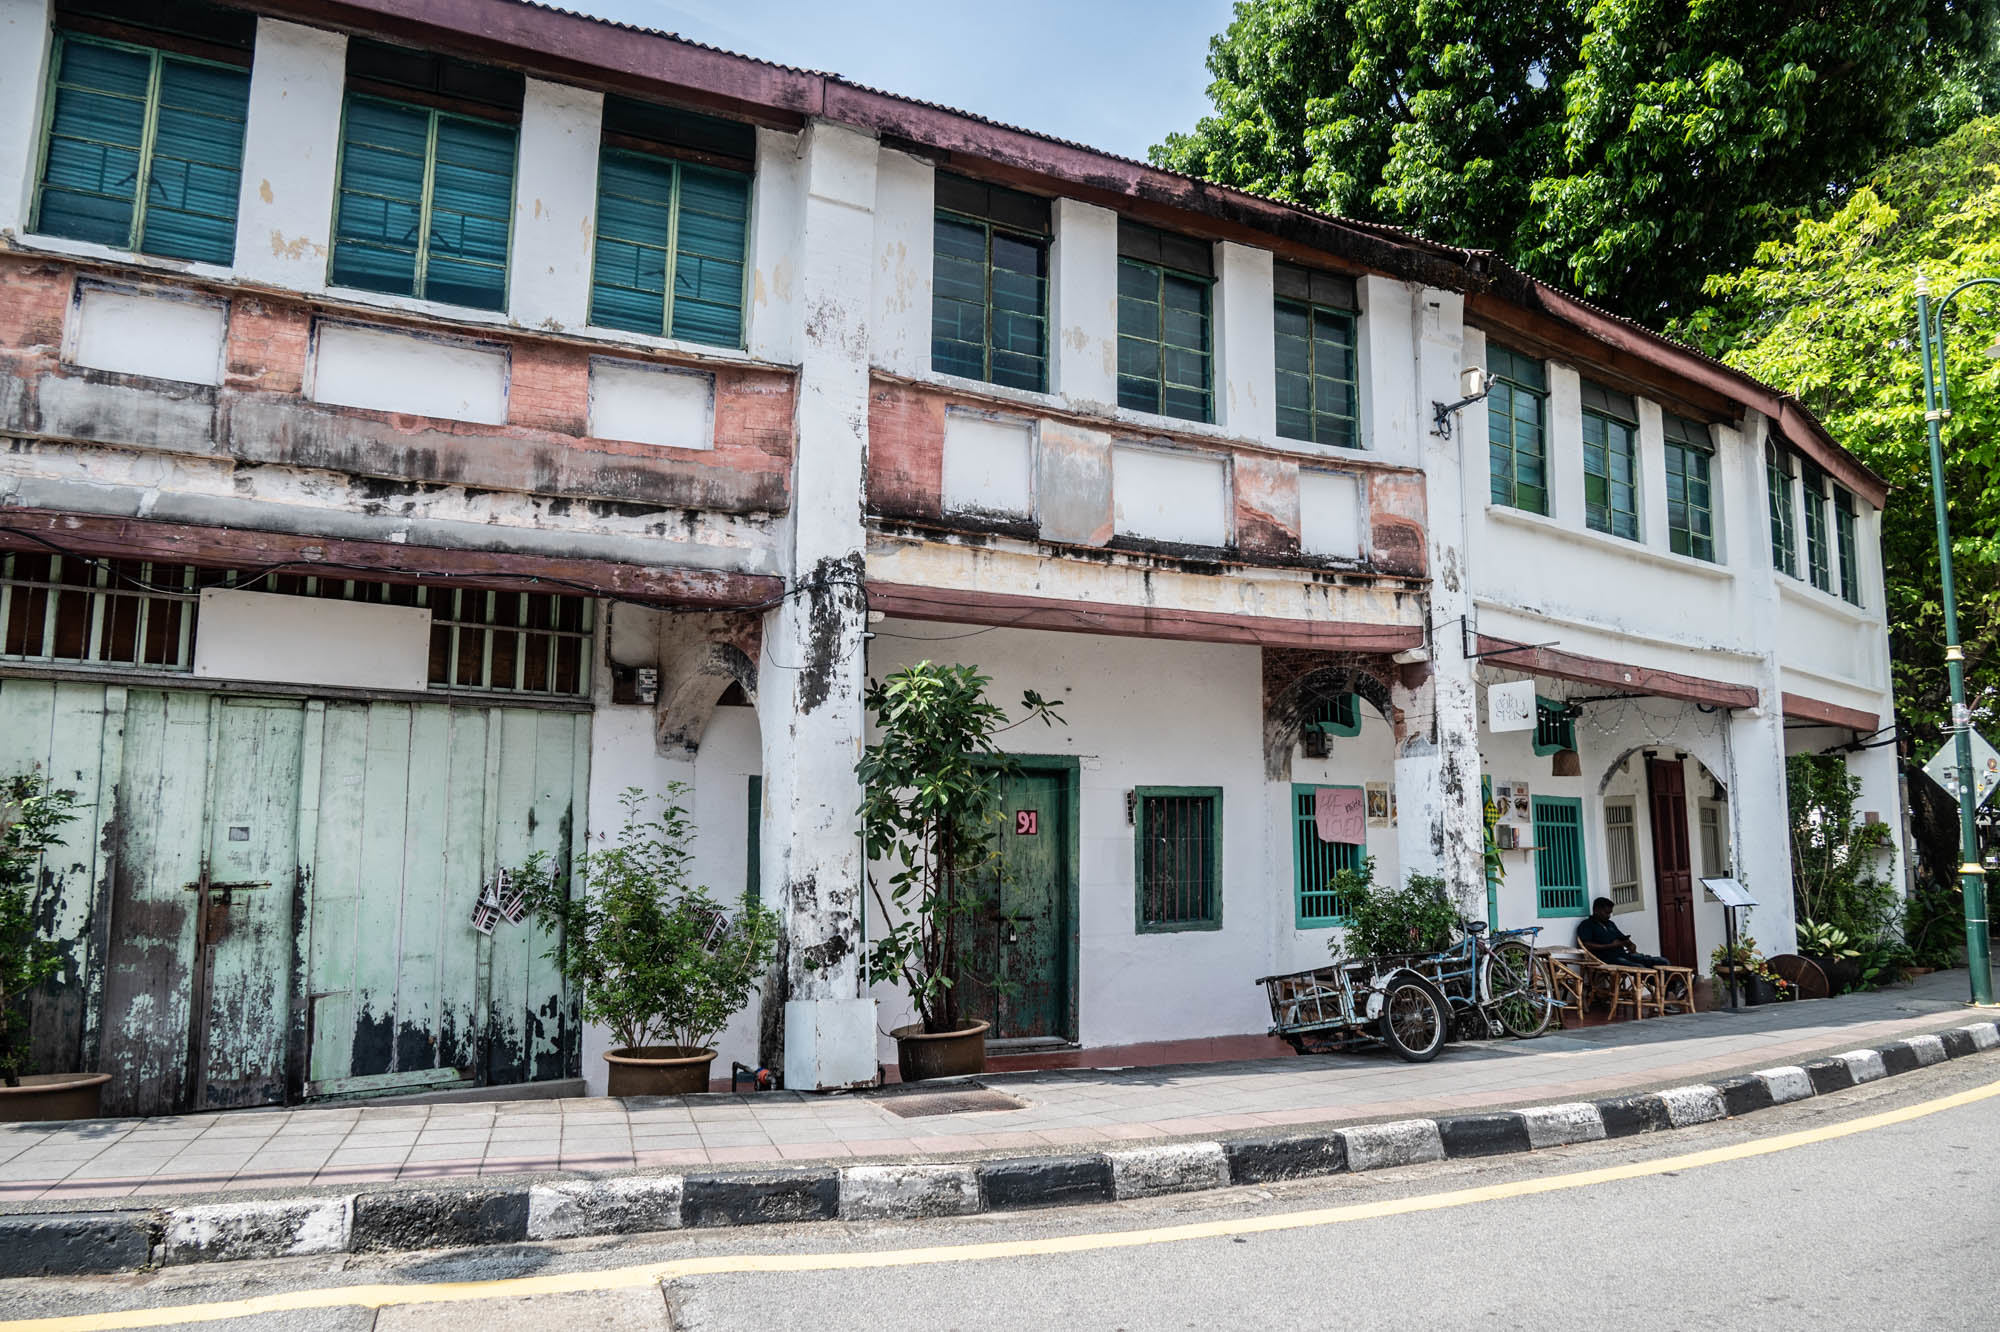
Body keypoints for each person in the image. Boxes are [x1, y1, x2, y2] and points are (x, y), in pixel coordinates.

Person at [1575, 897, 1669, 967]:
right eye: (1606, 913)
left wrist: (1630, 944)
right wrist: (1611, 945)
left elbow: (1622, 938)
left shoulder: (1610, 924)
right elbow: (1587, 945)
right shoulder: (1587, 925)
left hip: (1624, 955)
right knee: (1639, 967)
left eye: (1610, 913)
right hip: (1607, 960)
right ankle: (1657, 985)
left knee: (1663, 961)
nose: (1609, 916)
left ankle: (1666, 986)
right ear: (1596, 910)